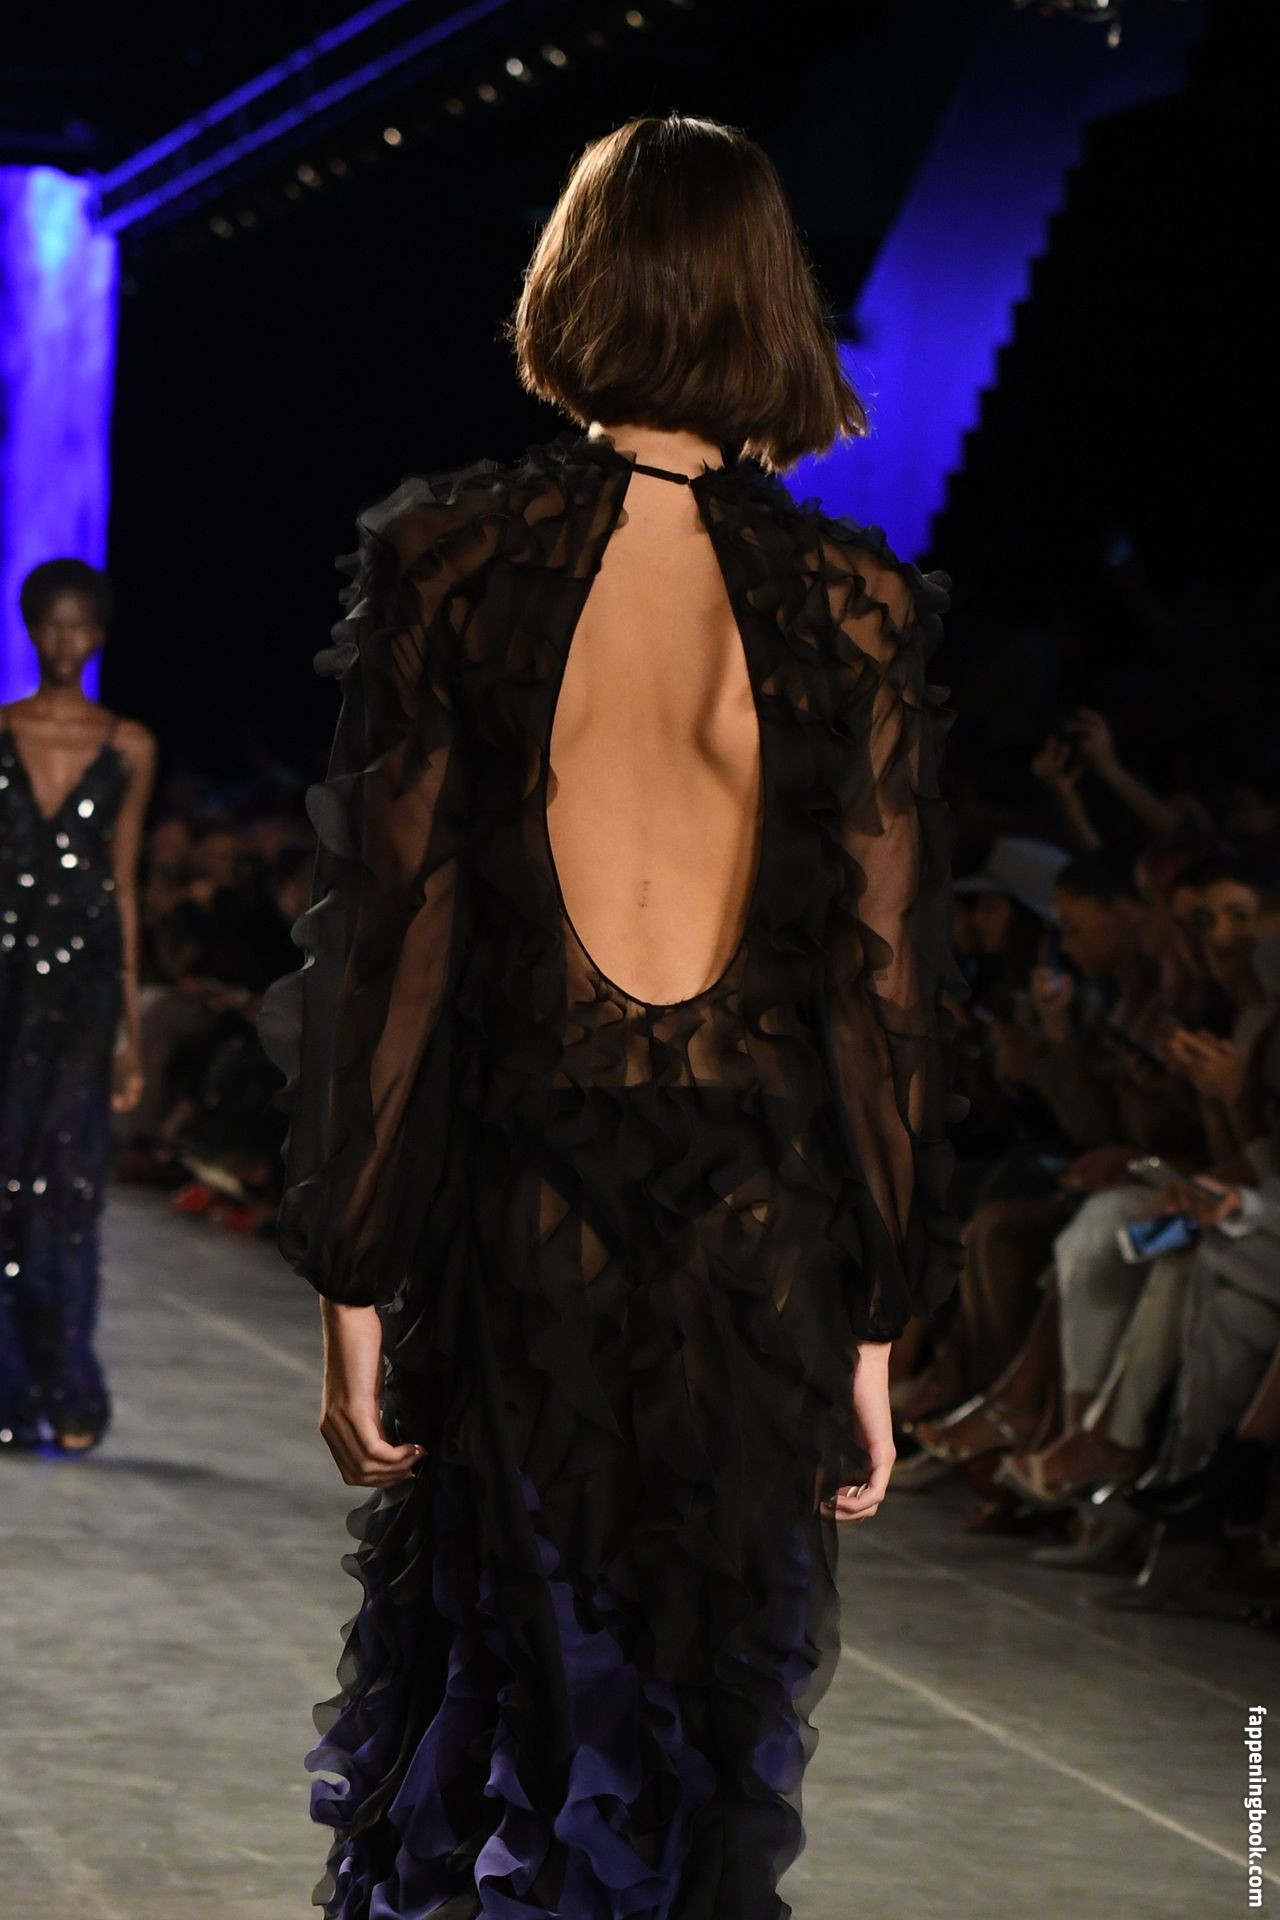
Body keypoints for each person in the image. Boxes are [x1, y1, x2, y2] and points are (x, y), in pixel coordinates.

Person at [257, 114, 968, 1920]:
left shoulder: (456, 563)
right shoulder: (851, 609)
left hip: (526, 1215)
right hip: (765, 1235)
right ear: (767, 303)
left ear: (576, 286)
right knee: (689, 1731)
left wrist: (353, 1285)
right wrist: (873, 1329)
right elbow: (879, 993)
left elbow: (393, 948)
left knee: (512, 1701)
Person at [0, 558, 155, 1452]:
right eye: (52, 625)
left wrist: (132, 1032)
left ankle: (68, 1386)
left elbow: (123, 885)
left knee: (69, 1185)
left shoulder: (130, 745)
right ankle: (10, 1388)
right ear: (31, 630)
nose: (66, 641)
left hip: (84, 987)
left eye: (81, 626)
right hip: (6, 981)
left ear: (98, 635)